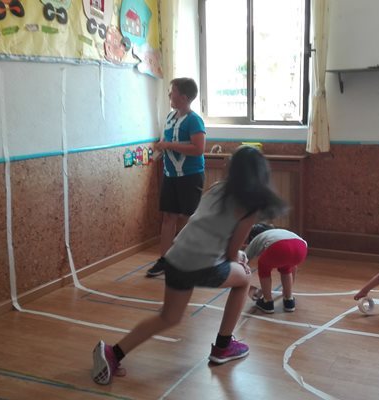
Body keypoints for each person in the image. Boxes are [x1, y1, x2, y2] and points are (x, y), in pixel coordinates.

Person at [92, 146, 287, 385]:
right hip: (202, 265)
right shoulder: (249, 207)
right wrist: (240, 259)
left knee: (168, 317)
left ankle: (114, 353)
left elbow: (210, 231)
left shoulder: (217, 188)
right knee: (244, 279)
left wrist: (234, 256)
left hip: (176, 257)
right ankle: (223, 346)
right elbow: (230, 253)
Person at [146, 78, 206, 277]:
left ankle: (191, 261)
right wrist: (158, 150)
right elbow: (166, 142)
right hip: (170, 175)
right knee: (168, 217)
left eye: (173, 92)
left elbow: (198, 149)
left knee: (190, 218)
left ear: (184, 97)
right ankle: (165, 260)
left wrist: (169, 146)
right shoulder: (170, 117)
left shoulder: (194, 120)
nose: (169, 95)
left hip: (190, 176)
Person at [244, 223, 307, 313]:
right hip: (301, 247)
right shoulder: (279, 232)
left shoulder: (257, 239)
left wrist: (246, 286)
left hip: (279, 247)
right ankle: (289, 300)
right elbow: (294, 268)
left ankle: (267, 302)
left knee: (263, 267)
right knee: (286, 267)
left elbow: (243, 258)